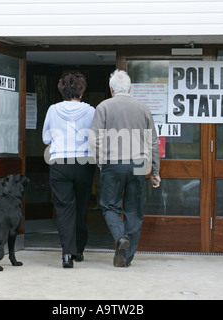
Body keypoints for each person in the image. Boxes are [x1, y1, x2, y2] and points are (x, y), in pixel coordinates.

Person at [89, 69, 161, 267]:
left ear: (111, 89)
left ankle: (120, 237)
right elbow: (153, 143)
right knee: (134, 210)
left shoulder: (103, 107)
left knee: (109, 206)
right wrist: (155, 171)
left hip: (113, 164)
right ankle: (127, 258)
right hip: (138, 164)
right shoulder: (143, 108)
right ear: (130, 88)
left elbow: (93, 139)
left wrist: (100, 161)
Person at [42, 72, 95, 268]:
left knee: (64, 208)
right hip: (84, 162)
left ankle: (67, 254)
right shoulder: (91, 111)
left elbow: (46, 139)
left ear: (62, 90)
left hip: (59, 162)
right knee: (81, 207)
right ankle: (79, 250)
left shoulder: (53, 110)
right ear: (81, 91)